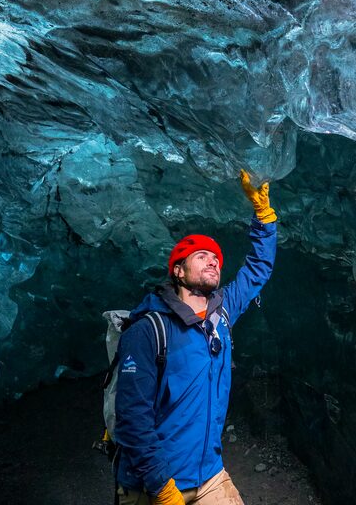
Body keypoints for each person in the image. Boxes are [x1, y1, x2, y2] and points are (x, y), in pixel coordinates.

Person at [113, 170, 279, 505]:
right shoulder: (149, 330)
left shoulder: (222, 313)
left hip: (210, 475)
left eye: (216, 259)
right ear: (178, 270)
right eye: (201, 256)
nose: (213, 262)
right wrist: (161, 487)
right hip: (153, 483)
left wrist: (264, 217)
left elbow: (258, 269)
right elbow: (133, 417)